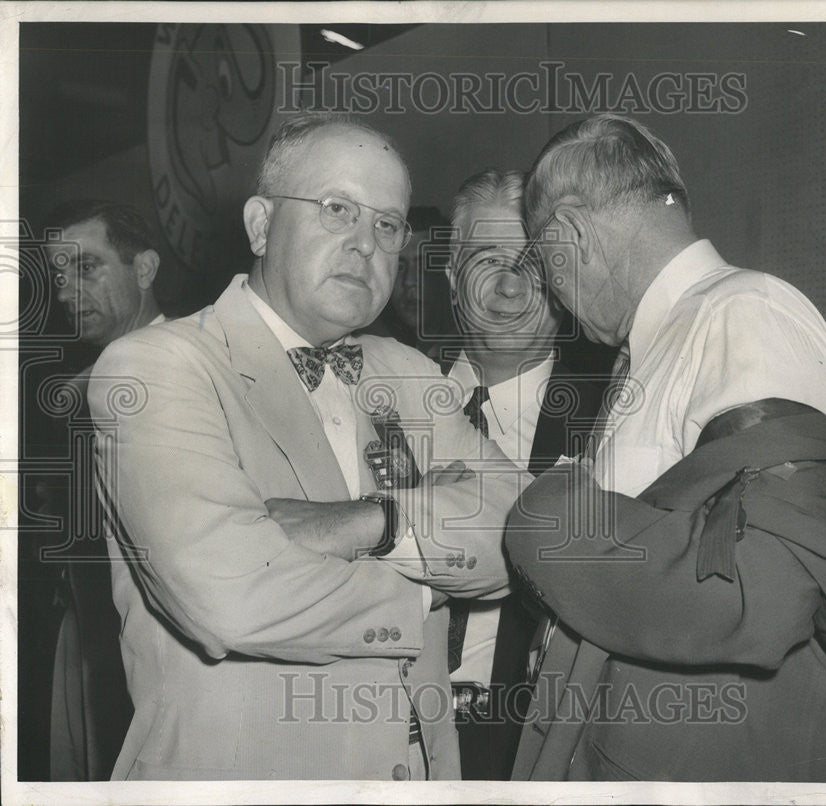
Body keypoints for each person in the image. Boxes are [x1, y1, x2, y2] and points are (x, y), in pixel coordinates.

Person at [87, 112, 524, 780]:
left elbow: (519, 528)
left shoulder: (404, 371)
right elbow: (230, 597)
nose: (365, 245)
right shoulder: (156, 368)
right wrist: (425, 591)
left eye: (387, 224)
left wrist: (374, 523)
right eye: (336, 209)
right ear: (261, 225)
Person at [504, 114, 826, 781]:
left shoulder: (744, 315)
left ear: (569, 235)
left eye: (544, 265)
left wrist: (544, 515)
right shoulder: (673, 339)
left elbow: (771, 584)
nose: (552, 296)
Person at [441, 169, 604, 779]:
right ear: (451, 274)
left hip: (531, 749)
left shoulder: (612, 418)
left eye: (534, 265)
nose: (510, 287)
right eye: (487, 260)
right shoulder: (376, 392)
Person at [41, 200, 165, 780]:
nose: (66, 290)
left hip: (161, 641)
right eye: (59, 274)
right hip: (86, 627)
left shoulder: (193, 371)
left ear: (143, 269)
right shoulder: (76, 389)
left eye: (85, 268)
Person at [365, 206, 453, 361]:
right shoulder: (375, 355)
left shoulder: (474, 356)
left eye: (424, 265)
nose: (409, 281)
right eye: (399, 266)